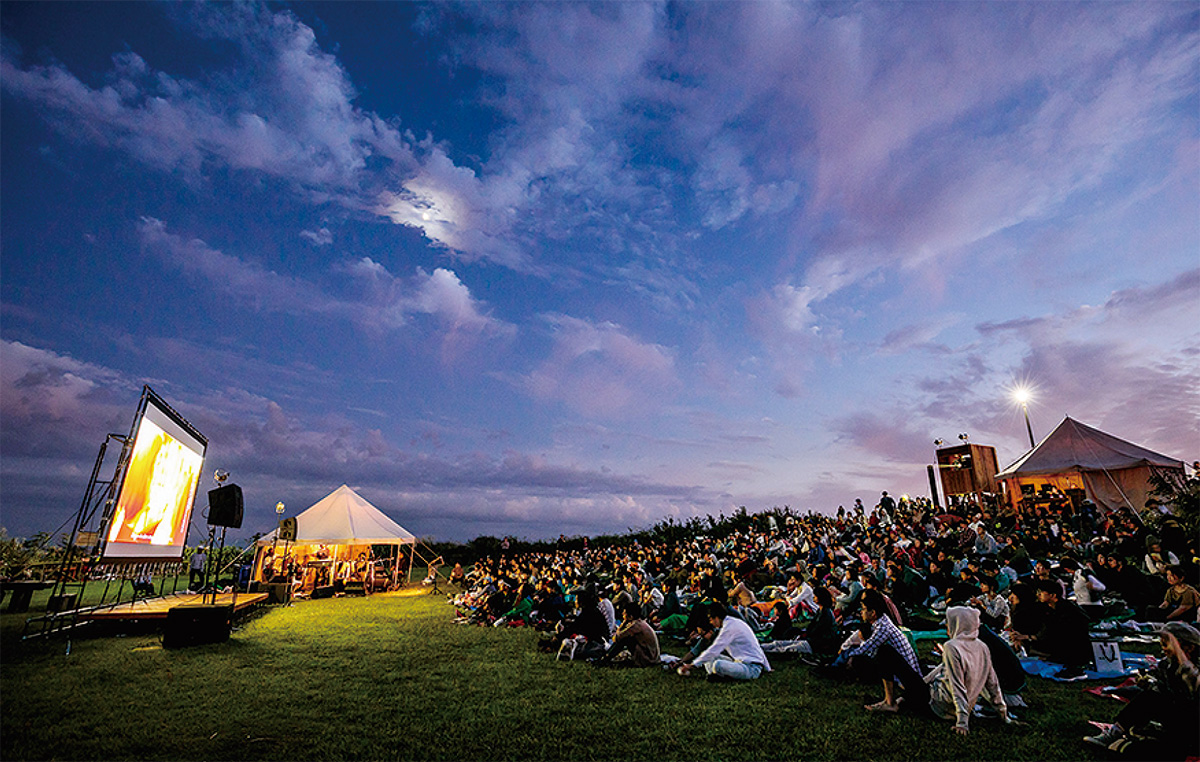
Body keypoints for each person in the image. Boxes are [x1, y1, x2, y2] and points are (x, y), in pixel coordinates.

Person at [1083, 622, 1200, 759]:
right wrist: (1147, 685)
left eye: (1167, 645)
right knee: (1150, 697)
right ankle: (1116, 732)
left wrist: (1181, 658)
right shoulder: (1166, 664)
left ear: (1190, 648)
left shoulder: (1192, 667)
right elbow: (1162, 691)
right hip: (1178, 717)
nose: (1164, 649)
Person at [925, 606, 1014, 735]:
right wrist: (1003, 713)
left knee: (908, 670)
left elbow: (956, 685)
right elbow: (993, 683)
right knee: (929, 673)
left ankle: (899, 699)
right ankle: (906, 696)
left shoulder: (951, 646)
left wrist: (962, 722)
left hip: (941, 706)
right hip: (965, 706)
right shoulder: (982, 646)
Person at [845, 590, 928, 713]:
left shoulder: (883, 628)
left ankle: (889, 702)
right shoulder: (882, 621)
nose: (861, 612)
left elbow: (866, 648)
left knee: (873, 655)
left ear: (873, 613)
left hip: (913, 684)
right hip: (911, 679)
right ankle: (889, 701)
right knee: (880, 653)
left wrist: (846, 655)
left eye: (863, 609)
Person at [1012, 579, 1092, 677]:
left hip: (1072, 648)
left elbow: (1053, 632)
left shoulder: (1067, 610)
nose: (1038, 595)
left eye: (1041, 592)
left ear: (1053, 595)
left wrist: (1029, 637)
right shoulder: (1048, 608)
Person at [677, 602, 771, 681]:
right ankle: (718, 675)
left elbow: (715, 648)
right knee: (711, 659)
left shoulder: (730, 627)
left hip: (751, 668)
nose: (711, 623)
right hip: (739, 662)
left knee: (717, 665)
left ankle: (720, 676)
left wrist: (692, 665)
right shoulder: (731, 623)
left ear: (717, 618)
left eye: (711, 620)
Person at [596, 602, 660, 668]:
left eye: (624, 613)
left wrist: (623, 623)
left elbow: (616, 638)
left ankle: (606, 658)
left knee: (625, 639)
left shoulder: (635, 626)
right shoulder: (639, 622)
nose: (622, 614)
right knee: (626, 638)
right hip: (651, 656)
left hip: (648, 659)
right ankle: (606, 657)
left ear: (630, 616)